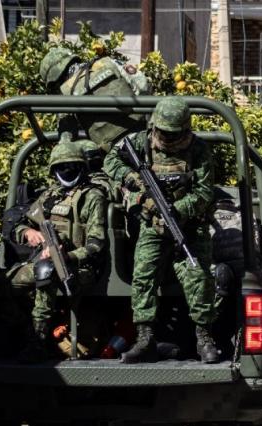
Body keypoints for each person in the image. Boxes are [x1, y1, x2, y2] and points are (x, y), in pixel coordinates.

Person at [103, 97, 220, 364]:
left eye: (173, 133)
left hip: (189, 227)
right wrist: (132, 179)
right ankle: (145, 338)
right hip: (152, 226)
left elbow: (204, 192)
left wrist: (178, 210)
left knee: (199, 277)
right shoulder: (140, 142)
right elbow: (111, 161)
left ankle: (204, 338)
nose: (167, 138)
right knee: (143, 277)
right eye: (163, 132)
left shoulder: (199, 150)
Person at [9, 139, 108, 362]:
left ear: (82, 167)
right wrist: (29, 233)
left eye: (72, 166)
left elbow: (96, 245)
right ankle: (21, 333)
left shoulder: (92, 197)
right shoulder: (49, 195)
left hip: (80, 268)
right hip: (45, 259)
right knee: (1, 285)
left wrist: (67, 255)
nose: (67, 171)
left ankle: (37, 342)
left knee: (47, 271)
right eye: (62, 167)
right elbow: (19, 224)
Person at [39, 46, 150, 152]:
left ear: (54, 80)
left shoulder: (66, 92)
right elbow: (143, 85)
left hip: (114, 152)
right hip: (144, 133)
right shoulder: (108, 62)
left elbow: (66, 138)